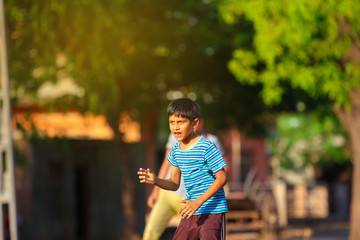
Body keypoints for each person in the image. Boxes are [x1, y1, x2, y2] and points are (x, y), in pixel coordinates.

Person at [138, 98, 228, 240]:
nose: (175, 127)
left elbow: (222, 177)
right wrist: (156, 181)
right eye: (172, 122)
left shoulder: (207, 146)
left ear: (195, 123)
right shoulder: (176, 151)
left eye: (181, 122)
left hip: (212, 210)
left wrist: (198, 201)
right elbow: (174, 183)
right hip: (190, 210)